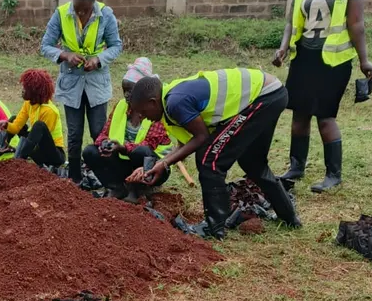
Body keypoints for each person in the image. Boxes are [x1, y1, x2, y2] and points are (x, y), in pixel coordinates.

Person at [127, 68, 300, 239]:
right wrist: (162, 163)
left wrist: (164, 163)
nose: (142, 117)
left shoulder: (175, 102)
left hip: (263, 96)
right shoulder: (168, 101)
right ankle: (289, 216)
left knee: (210, 161)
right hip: (271, 93)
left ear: (152, 102)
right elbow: (185, 143)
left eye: (142, 112)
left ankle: (214, 227)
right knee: (253, 163)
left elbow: (202, 137)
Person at [274, 0, 372, 193]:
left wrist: (364, 60)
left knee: (325, 117)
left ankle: (333, 174)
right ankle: (296, 166)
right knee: (299, 114)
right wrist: (283, 48)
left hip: (333, 61)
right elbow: (292, 21)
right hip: (304, 57)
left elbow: (356, 23)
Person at [40, 0, 122, 184]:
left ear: (93, 3)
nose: (81, 14)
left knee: (98, 133)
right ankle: (75, 178)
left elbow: (116, 46)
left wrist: (98, 60)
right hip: (71, 83)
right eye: (77, 9)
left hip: (96, 84)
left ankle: (103, 178)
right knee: (74, 135)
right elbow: (45, 46)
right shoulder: (60, 14)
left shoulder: (106, 15)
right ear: (72, 1)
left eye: (85, 10)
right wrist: (65, 55)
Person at [82, 58, 172, 200]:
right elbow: (104, 133)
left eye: (131, 91)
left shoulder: (155, 110)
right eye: (125, 91)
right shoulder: (121, 106)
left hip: (152, 166)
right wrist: (106, 144)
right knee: (90, 151)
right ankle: (116, 187)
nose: (127, 95)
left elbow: (147, 147)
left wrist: (123, 148)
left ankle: (137, 190)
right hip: (124, 161)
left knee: (140, 152)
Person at [0, 69, 65, 169]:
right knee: (13, 119)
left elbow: (41, 140)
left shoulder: (49, 110)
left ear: (35, 91)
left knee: (39, 125)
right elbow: (16, 127)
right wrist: (6, 125)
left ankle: (19, 159)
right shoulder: (28, 103)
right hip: (35, 146)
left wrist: (24, 149)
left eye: (26, 88)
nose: (22, 90)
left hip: (53, 155)